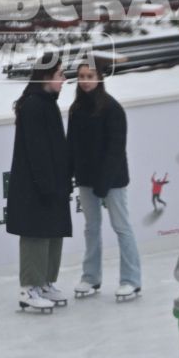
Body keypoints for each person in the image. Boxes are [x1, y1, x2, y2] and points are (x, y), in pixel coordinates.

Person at [67, 61, 142, 299]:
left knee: (121, 227)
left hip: (113, 179)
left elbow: (115, 149)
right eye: (82, 76)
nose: (86, 80)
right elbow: (72, 145)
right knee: (91, 228)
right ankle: (91, 277)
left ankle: (131, 279)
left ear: (99, 78)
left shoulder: (112, 108)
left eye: (90, 76)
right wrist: (68, 173)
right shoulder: (76, 109)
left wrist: (104, 181)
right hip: (86, 179)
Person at [5, 60, 71, 311]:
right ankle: (28, 288)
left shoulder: (47, 103)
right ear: (45, 77)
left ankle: (43, 282)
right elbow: (37, 151)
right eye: (59, 74)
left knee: (53, 233)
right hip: (36, 186)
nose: (64, 79)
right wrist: (47, 185)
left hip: (53, 183)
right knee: (36, 234)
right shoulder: (33, 106)